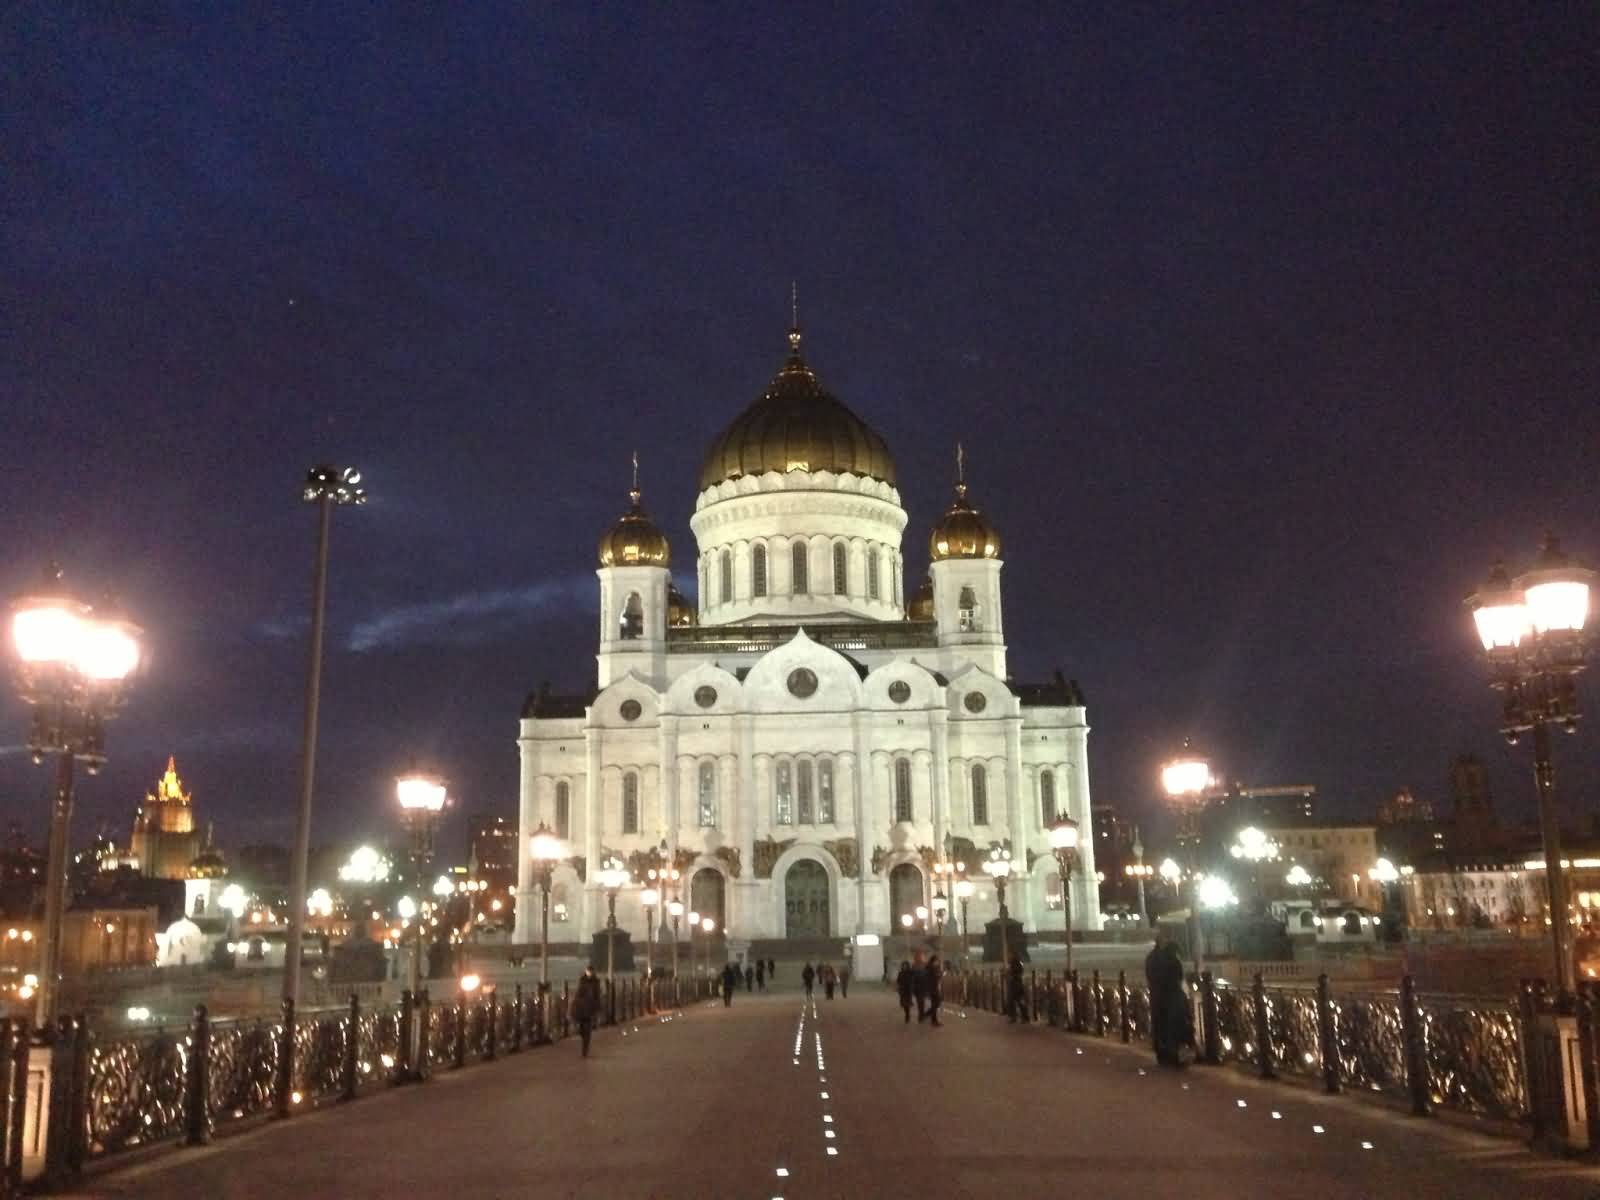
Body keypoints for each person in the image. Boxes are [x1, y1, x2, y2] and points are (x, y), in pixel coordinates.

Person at [1146, 932, 1193, 1067]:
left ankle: (1163, 1054)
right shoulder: (1172, 959)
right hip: (1172, 996)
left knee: (1161, 1026)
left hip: (1157, 996)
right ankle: (1176, 1055)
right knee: (1176, 1026)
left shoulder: (1151, 958)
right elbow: (1178, 977)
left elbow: (1150, 976)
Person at [573, 965, 602, 1057]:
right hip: (581, 1007)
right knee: (581, 1029)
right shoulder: (582, 980)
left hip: (590, 1008)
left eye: (591, 971)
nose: (589, 973)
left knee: (587, 1029)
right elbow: (578, 994)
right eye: (588, 971)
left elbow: (597, 995)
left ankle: (585, 1048)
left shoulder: (596, 981)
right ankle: (583, 1037)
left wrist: (597, 1007)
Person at [1005, 952, 1027, 1023]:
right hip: (1016, 984)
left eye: (1011, 955)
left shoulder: (1016, 964)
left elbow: (1017, 973)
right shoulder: (1016, 964)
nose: (1009, 956)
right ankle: (1019, 1017)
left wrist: (1010, 974)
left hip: (1016, 985)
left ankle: (1020, 1017)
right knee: (1016, 1001)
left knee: (1016, 1001)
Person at [923, 955, 944, 1026]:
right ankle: (929, 1016)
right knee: (936, 1003)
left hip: (934, 988)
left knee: (935, 1004)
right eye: (936, 961)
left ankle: (933, 1019)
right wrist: (938, 975)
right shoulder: (929, 968)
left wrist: (939, 974)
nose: (937, 962)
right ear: (933, 961)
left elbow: (937, 977)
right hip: (932, 989)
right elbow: (931, 978)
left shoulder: (934, 968)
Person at [911, 950, 929, 1021]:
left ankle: (922, 1015)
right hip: (917, 987)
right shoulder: (914, 965)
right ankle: (921, 1015)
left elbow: (928, 975)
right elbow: (912, 977)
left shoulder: (925, 965)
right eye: (917, 956)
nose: (918, 957)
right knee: (920, 1001)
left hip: (923, 986)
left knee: (922, 1001)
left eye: (920, 955)